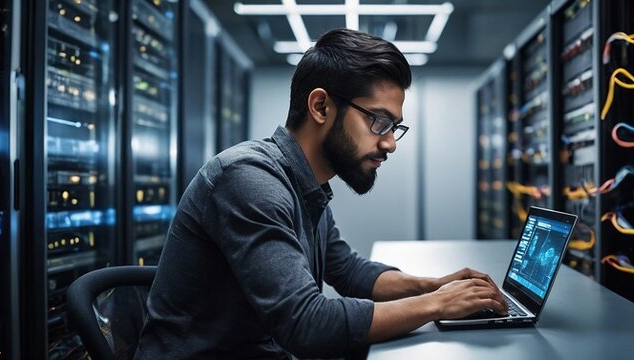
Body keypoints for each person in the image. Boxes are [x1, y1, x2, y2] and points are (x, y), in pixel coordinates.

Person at [133, 28, 507, 359]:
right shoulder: (250, 180)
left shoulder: (305, 184)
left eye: (395, 127)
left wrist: (435, 286)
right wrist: (436, 304)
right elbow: (305, 324)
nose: (390, 143)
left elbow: (347, 270)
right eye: (379, 121)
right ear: (321, 106)